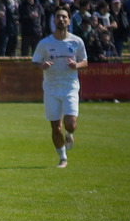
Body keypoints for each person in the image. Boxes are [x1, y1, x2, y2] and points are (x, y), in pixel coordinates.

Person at [32, 9, 88, 168]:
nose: (61, 19)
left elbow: (85, 61)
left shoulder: (77, 41)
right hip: (51, 89)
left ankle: (69, 134)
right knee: (56, 128)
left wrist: (76, 65)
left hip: (70, 87)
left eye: (64, 17)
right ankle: (63, 158)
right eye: (58, 17)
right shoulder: (45, 43)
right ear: (54, 21)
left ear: (69, 21)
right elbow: (34, 61)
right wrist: (41, 65)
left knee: (70, 123)